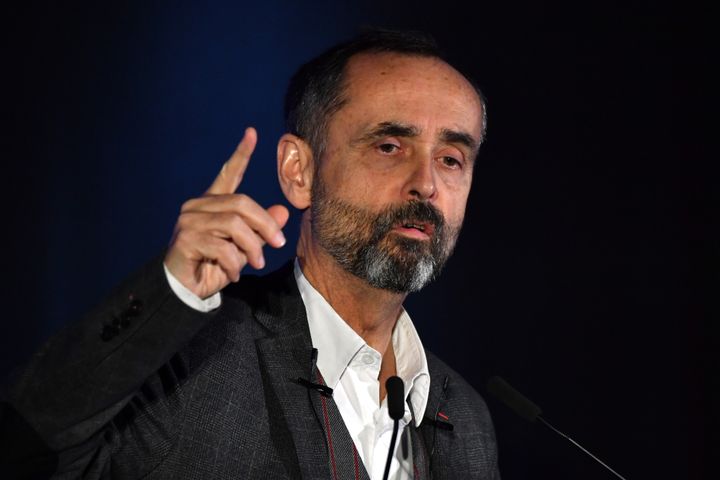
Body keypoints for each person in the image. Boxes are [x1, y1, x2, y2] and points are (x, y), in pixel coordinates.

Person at [1, 29, 500, 479]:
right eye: (389, 146)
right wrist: (168, 292)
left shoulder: (466, 416)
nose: (426, 184)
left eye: (451, 159)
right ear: (298, 171)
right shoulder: (193, 361)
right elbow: (25, 448)